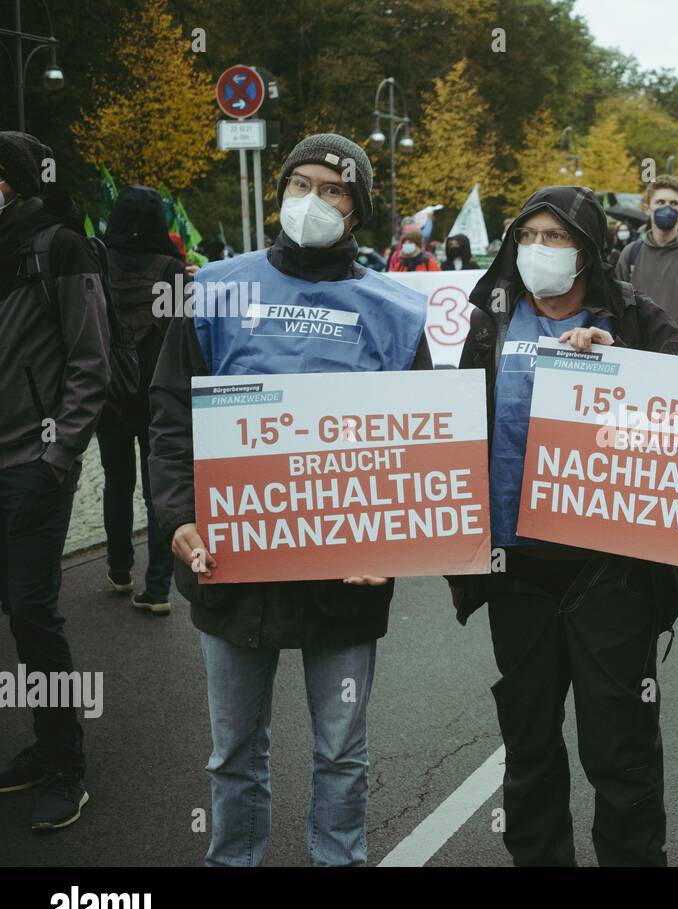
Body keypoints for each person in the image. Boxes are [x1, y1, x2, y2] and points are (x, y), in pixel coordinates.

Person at [149, 133, 433, 866]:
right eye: (301, 183)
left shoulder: (397, 313)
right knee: (233, 752)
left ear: (358, 210)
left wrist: (393, 547)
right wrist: (177, 517)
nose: (314, 200)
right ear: (280, 192)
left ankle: (338, 860)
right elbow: (171, 414)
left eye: (334, 190)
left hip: (345, 574)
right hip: (230, 563)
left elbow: (424, 444)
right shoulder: (213, 288)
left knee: (341, 752)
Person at [449, 185, 678, 866]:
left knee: (619, 751)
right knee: (528, 745)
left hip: (610, 572)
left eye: (555, 238)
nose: (539, 250)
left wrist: (621, 360)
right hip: (516, 573)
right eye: (527, 236)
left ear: (587, 252)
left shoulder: (634, 317)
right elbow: (456, 423)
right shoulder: (492, 321)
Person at [0, 131, 110, 830]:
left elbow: (90, 359)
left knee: (32, 612)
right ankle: (42, 745)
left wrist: (58, 455)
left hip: (32, 466)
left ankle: (65, 762)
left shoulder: (58, 248)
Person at [98, 185, 190, 615]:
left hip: (111, 392)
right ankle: (156, 589)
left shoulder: (100, 263)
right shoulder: (171, 268)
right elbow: (183, 333)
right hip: (158, 396)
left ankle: (119, 571)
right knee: (158, 492)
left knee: (117, 482)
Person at [615, 174, 678, 354]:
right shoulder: (630, 254)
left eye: (674, 204)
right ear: (647, 209)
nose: (667, 208)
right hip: (636, 358)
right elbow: (617, 309)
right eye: (660, 202)